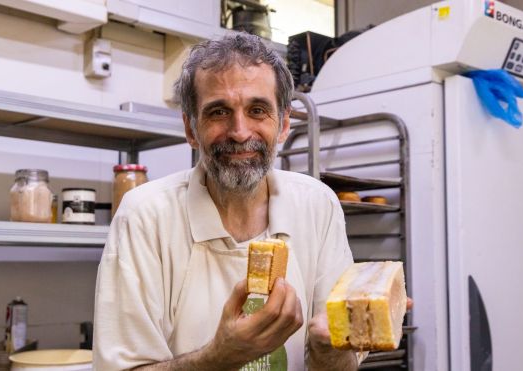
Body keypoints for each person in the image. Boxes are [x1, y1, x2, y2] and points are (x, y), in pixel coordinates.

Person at [93, 32, 358, 370]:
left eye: (257, 110)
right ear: (191, 129)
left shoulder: (317, 205)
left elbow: (340, 366)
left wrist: (330, 347)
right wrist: (220, 357)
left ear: (284, 125)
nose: (240, 131)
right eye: (219, 112)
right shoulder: (145, 216)